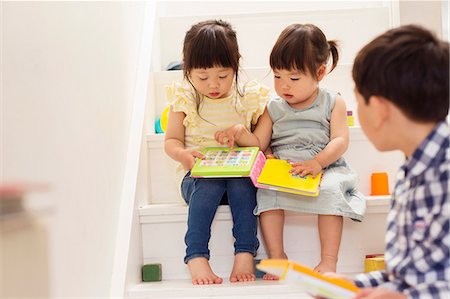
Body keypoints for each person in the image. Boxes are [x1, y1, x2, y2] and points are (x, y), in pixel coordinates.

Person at [215, 23, 366, 277]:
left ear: (319, 73)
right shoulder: (274, 107)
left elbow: (340, 140)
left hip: (324, 165)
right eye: (277, 76)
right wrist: (241, 133)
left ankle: (328, 261)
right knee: (266, 196)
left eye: (294, 78)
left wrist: (318, 162)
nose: (284, 86)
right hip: (285, 167)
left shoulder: (332, 101)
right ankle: (277, 256)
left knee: (329, 194)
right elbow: (259, 143)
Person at [164, 19, 269, 285]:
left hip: (238, 180)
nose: (213, 84)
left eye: (223, 76)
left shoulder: (247, 97)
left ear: (235, 66)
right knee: (209, 183)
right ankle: (196, 256)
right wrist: (184, 155)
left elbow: (259, 144)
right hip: (198, 182)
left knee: (243, 185)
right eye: (202, 77)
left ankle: (245, 252)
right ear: (188, 71)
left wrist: (241, 133)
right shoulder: (184, 98)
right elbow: (171, 141)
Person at [349, 25, 450, 299]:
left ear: (380, 109)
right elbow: (408, 275)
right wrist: (349, 286)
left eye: (358, 101)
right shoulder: (411, 171)